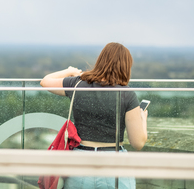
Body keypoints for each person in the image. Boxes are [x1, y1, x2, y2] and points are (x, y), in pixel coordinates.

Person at [40, 42, 148, 189]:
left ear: (101, 61)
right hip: (114, 163)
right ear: (126, 67)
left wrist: (69, 71)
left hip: (80, 163)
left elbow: (45, 82)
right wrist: (143, 120)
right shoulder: (126, 94)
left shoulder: (77, 84)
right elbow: (138, 142)